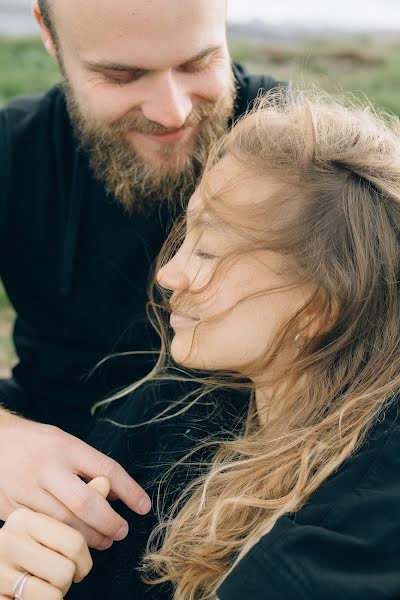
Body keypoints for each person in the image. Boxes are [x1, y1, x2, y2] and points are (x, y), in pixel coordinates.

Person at [1, 90, 400, 599]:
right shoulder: (174, 410)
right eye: (184, 236)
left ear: (320, 305)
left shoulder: (367, 518)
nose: (169, 274)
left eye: (208, 251)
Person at [0, 0, 283, 552]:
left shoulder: (303, 157)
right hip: (43, 471)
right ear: (48, 34)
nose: (172, 112)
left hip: (243, 494)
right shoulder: (16, 150)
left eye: (197, 63)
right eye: (121, 76)